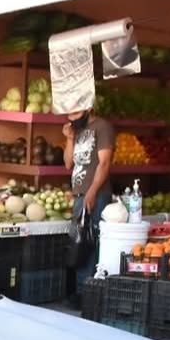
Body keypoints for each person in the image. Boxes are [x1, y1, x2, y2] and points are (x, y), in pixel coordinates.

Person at [63, 107, 114, 291]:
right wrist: (70, 138)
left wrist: (92, 192)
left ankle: (88, 293)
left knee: (90, 244)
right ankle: (80, 292)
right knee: (79, 244)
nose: (71, 118)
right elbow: (68, 164)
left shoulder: (102, 127)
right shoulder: (77, 130)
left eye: (75, 114)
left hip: (96, 195)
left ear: (88, 109)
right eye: (69, 114)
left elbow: (105, 163)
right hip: (79, 196)